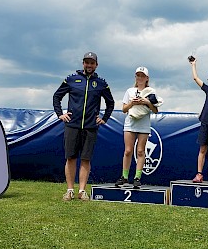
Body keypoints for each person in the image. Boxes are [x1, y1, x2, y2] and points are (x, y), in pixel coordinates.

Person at [53, 52, 115, 201]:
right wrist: (60, 114)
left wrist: (104, 118)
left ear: (96, 65)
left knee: (86, 159)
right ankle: (69, 190)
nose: (89, 65)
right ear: (83, 64)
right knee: (71, 158)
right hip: (72, 125)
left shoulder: (101, 83)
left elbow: (110, 103)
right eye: (87, 62)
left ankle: (82, 191)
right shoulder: (71, 79)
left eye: (92, 63)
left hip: (90, 127)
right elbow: (57, 96)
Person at [115, 67, 160, 189]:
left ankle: (137, 177)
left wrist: (147, 102)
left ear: (147, 78)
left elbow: (155, 110)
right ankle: (124, 177)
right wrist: (132, 103)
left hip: (144, 124)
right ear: (135, 77)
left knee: (140, 151)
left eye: (142, 76)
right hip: (130, 123)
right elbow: (124, 109)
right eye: (138, 75)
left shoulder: (151, 92)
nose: (140, 78)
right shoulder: (129, 91)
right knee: (128, 151)